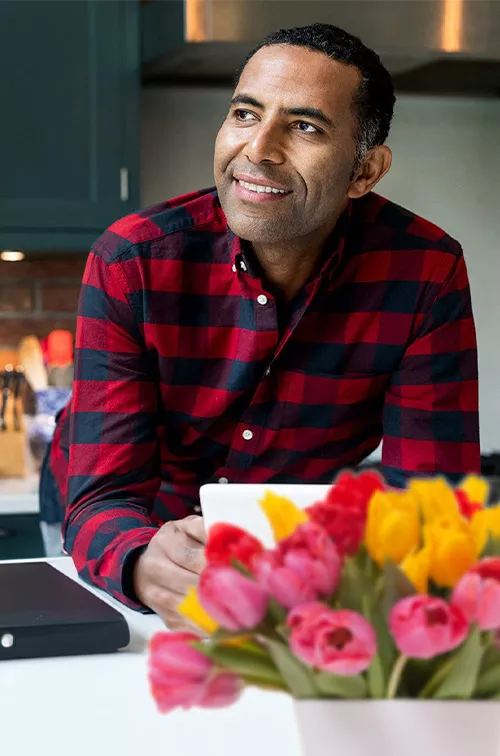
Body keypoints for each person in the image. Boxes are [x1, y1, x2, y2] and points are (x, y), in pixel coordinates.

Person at [42, 23, 480, 630]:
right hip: (125, 524)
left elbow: (430, 504)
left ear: (365, 172)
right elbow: (102, 498)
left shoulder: (424, 272)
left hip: (278, 551)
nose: (259, 148)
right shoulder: (131, 262)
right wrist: (143, 563)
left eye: (305, 126)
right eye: (246, 113)